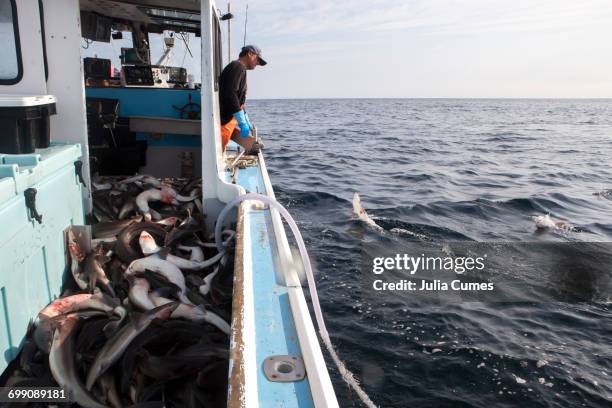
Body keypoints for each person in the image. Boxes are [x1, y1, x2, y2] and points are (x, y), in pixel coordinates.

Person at [219, 45, 267, 153]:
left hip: (228, 120)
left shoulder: (237, 68)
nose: (258, 64)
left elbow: (237, 97)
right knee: (218, 152)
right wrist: (241, 120)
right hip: (224, 122)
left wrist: (244, 116)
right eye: (258, 59)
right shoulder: (238, 67)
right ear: (249, 54)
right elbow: (230, 93)